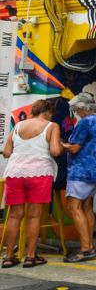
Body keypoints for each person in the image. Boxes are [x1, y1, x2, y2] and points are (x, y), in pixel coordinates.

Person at [2, 99, 63, 268]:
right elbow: (55, 151)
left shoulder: (18, 126)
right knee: (34, 216)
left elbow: (7, 152)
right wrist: (62, 146)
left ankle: (8, 257)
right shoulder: (52, 126)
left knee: (14, 215)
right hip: (40, 172)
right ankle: (30, 257)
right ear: (48, 112)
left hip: (15, 173)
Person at [61, 92, 96, 263]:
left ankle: (85, 248)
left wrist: (61, 145)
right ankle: (89, 245)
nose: (76, 113)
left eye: (76, 110)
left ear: (83, 108)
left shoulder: (85, 122)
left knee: (73, 206)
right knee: (87, 206)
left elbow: (74, 148)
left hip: (81, 169)